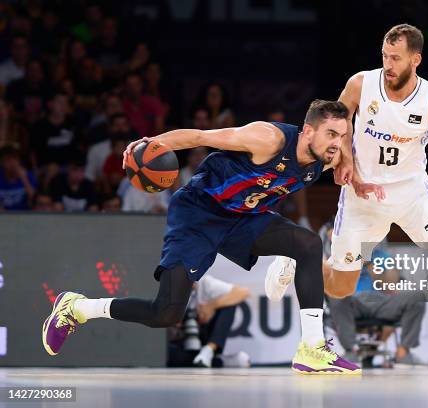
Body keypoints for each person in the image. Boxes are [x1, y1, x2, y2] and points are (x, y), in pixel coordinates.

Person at [41, 99, 362, 375]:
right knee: (165, 313)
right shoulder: (267, 138)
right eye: (331, 134)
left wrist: (348, 158)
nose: (337, 143)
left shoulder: (324, 159)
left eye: (341, 136)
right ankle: (78, 308)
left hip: (242, 218)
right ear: (307, 131)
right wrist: (148, 143)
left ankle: (311, 349)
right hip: (199, 214)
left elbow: (345, 147)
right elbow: (198, 136)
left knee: (308, 243)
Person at [266, 24, 428, 375]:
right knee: (340, 287)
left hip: (412, 196)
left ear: (416, 59)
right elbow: (336, 127)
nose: (388, 63)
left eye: (396, 58)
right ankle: (296, 262)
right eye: (384, 55)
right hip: (362, 198)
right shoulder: (361, 84)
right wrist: (347, 164)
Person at [191, 275, 250, 368]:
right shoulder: (170, 288)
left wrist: (211, 307)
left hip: (203, 334)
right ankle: (221, 361)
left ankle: (209, 350)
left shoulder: (204, 283)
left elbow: (243, 292)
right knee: (171, 356)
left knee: (230, 303)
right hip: (181, 340)